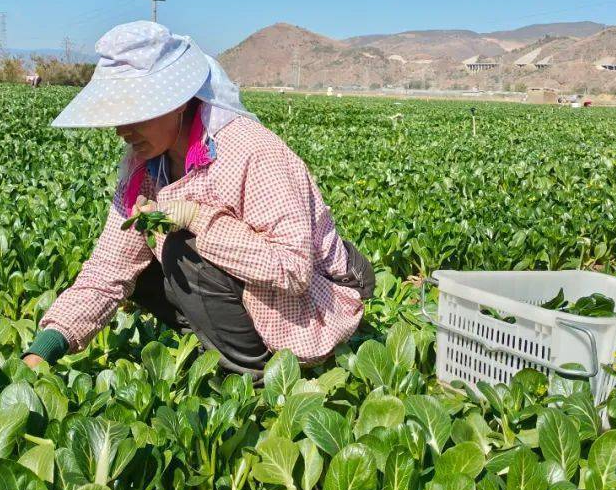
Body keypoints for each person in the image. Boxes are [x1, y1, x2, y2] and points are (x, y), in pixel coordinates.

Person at [22, 21, 374, 376]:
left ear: (177, 103)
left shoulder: (250, 151)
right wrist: (44, 350)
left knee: (182, 251)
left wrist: (196, 218)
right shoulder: (142, 168)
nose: (122, 130)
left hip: (319, 293)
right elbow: (107, 272)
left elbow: (293, 267)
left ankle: (254, 376)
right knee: (139, 268)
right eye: (117, 115)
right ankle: (218, 345)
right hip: (254, 283)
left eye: (135, 112)